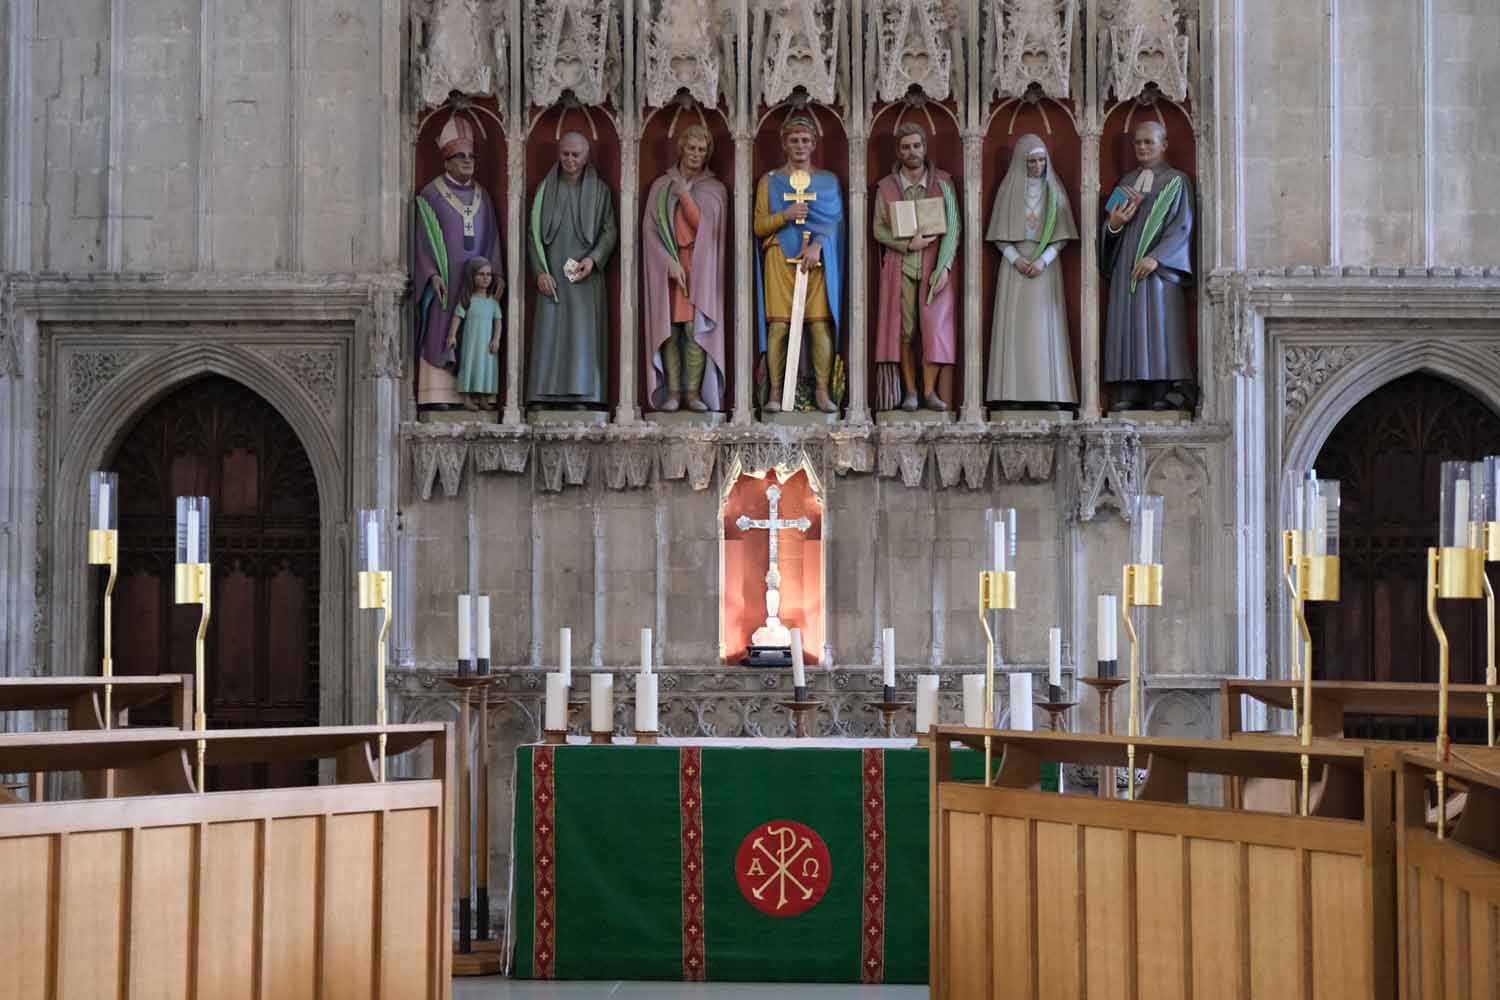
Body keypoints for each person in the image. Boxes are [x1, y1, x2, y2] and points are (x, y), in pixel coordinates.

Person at [1100, 120, 1195, 412]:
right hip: (1126, 266)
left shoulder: (1176, 181)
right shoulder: (1125, 182)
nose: (1142, 147)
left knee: (1159, 325)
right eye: (1138, 143)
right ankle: (1129, 387)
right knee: (1126, 326)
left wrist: (1157, 258)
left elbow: (1182, 226)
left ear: (1164, 145)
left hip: (1158, 271)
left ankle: (1161, 388)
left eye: (1149, 142)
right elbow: (1108, 226)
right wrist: (1114, 226)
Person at [753, 114, 846, 414]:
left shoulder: (828, 181)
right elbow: (758, 226)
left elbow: (836, 224)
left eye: (805, 140)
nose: (800, 146)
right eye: (794, 140)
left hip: (815, 259)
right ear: (784, 144)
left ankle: (822, 392)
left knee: (819, 326)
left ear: (814, 144)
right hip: (779, 256)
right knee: (779, 327)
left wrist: (819, 245)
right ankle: (776, 394)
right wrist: (785, 215)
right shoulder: (769, 182)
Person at [985, 134, 1079, 410]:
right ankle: (1012, 394)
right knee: (1014, 332)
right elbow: (999, 235)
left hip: (1044, 268)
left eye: (1041, 161)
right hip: (1015, 268)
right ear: (1021, 163)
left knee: (1045, 331)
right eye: (1032, 161)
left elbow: (1062, 235)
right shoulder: (1009, 190)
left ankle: (1049, 393)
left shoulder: (1054, 192)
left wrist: (1044, 259)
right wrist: (1015, 259)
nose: (1037, 166)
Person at [413, 115, 501, 410]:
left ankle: (473, 394)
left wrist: (495, 275)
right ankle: (438, 394)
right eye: (459, 156)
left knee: (475, 337)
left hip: (477, 284)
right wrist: (431, 274)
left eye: (471, 156)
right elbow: (423, 241)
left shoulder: (483, 196)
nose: (467, 161)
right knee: (442, 330)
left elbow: (492, 240)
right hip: (446, 283)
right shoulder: (431, 194)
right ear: (445, 160)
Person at [871, 122, 960, 412]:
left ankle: (930, 391)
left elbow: (954, 227)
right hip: (901, 266)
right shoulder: (886, 187)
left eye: (916, 145)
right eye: (906, 147)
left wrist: (944, 266)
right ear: (898, 150)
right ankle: (910, 391)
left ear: (925, 148)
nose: (912, 152)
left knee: (934, 329)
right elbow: (879, 230)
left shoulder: (943, 183)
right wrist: (909, 245)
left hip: (935, 267)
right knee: (905, 331)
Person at [526, 131, 618, 408]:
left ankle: (584, 395)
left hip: (584, 277)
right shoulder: (544, 189)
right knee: (549, 332)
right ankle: (543, 394)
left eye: (575, 154)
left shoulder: (600, 191)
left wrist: (594, 260)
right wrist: (540, 271)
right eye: (565, 153)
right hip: (553, 273)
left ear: (586, 156)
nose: (569, 159)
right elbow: (532, 234)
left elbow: (609, 230)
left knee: (582, 335)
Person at [641, 124, 728, 413]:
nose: (695, 154)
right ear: (681, 148)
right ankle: (673, 393)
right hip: (669, 267)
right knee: (670, 329)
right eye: (691, 148)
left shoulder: (713, 188)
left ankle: (692, 393)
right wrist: (667, 262)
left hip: (699, 267)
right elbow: (650, 231)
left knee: (693, 330)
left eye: (701, 150)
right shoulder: (661, 186)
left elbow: (707, 228)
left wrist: (686, 196)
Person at [447, 257, 503, 410]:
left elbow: (498, 321)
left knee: (486, 368)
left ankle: (485, 398)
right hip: (471, 343)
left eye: (489, 275)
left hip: (487, 345)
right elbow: (457, 317)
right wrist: (452, 335)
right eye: (481, 274)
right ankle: (466, 398)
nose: (486, 278)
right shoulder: (468, 300)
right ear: (472, 277)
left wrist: (496, 339)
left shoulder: (493, 302)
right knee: (469, 366)